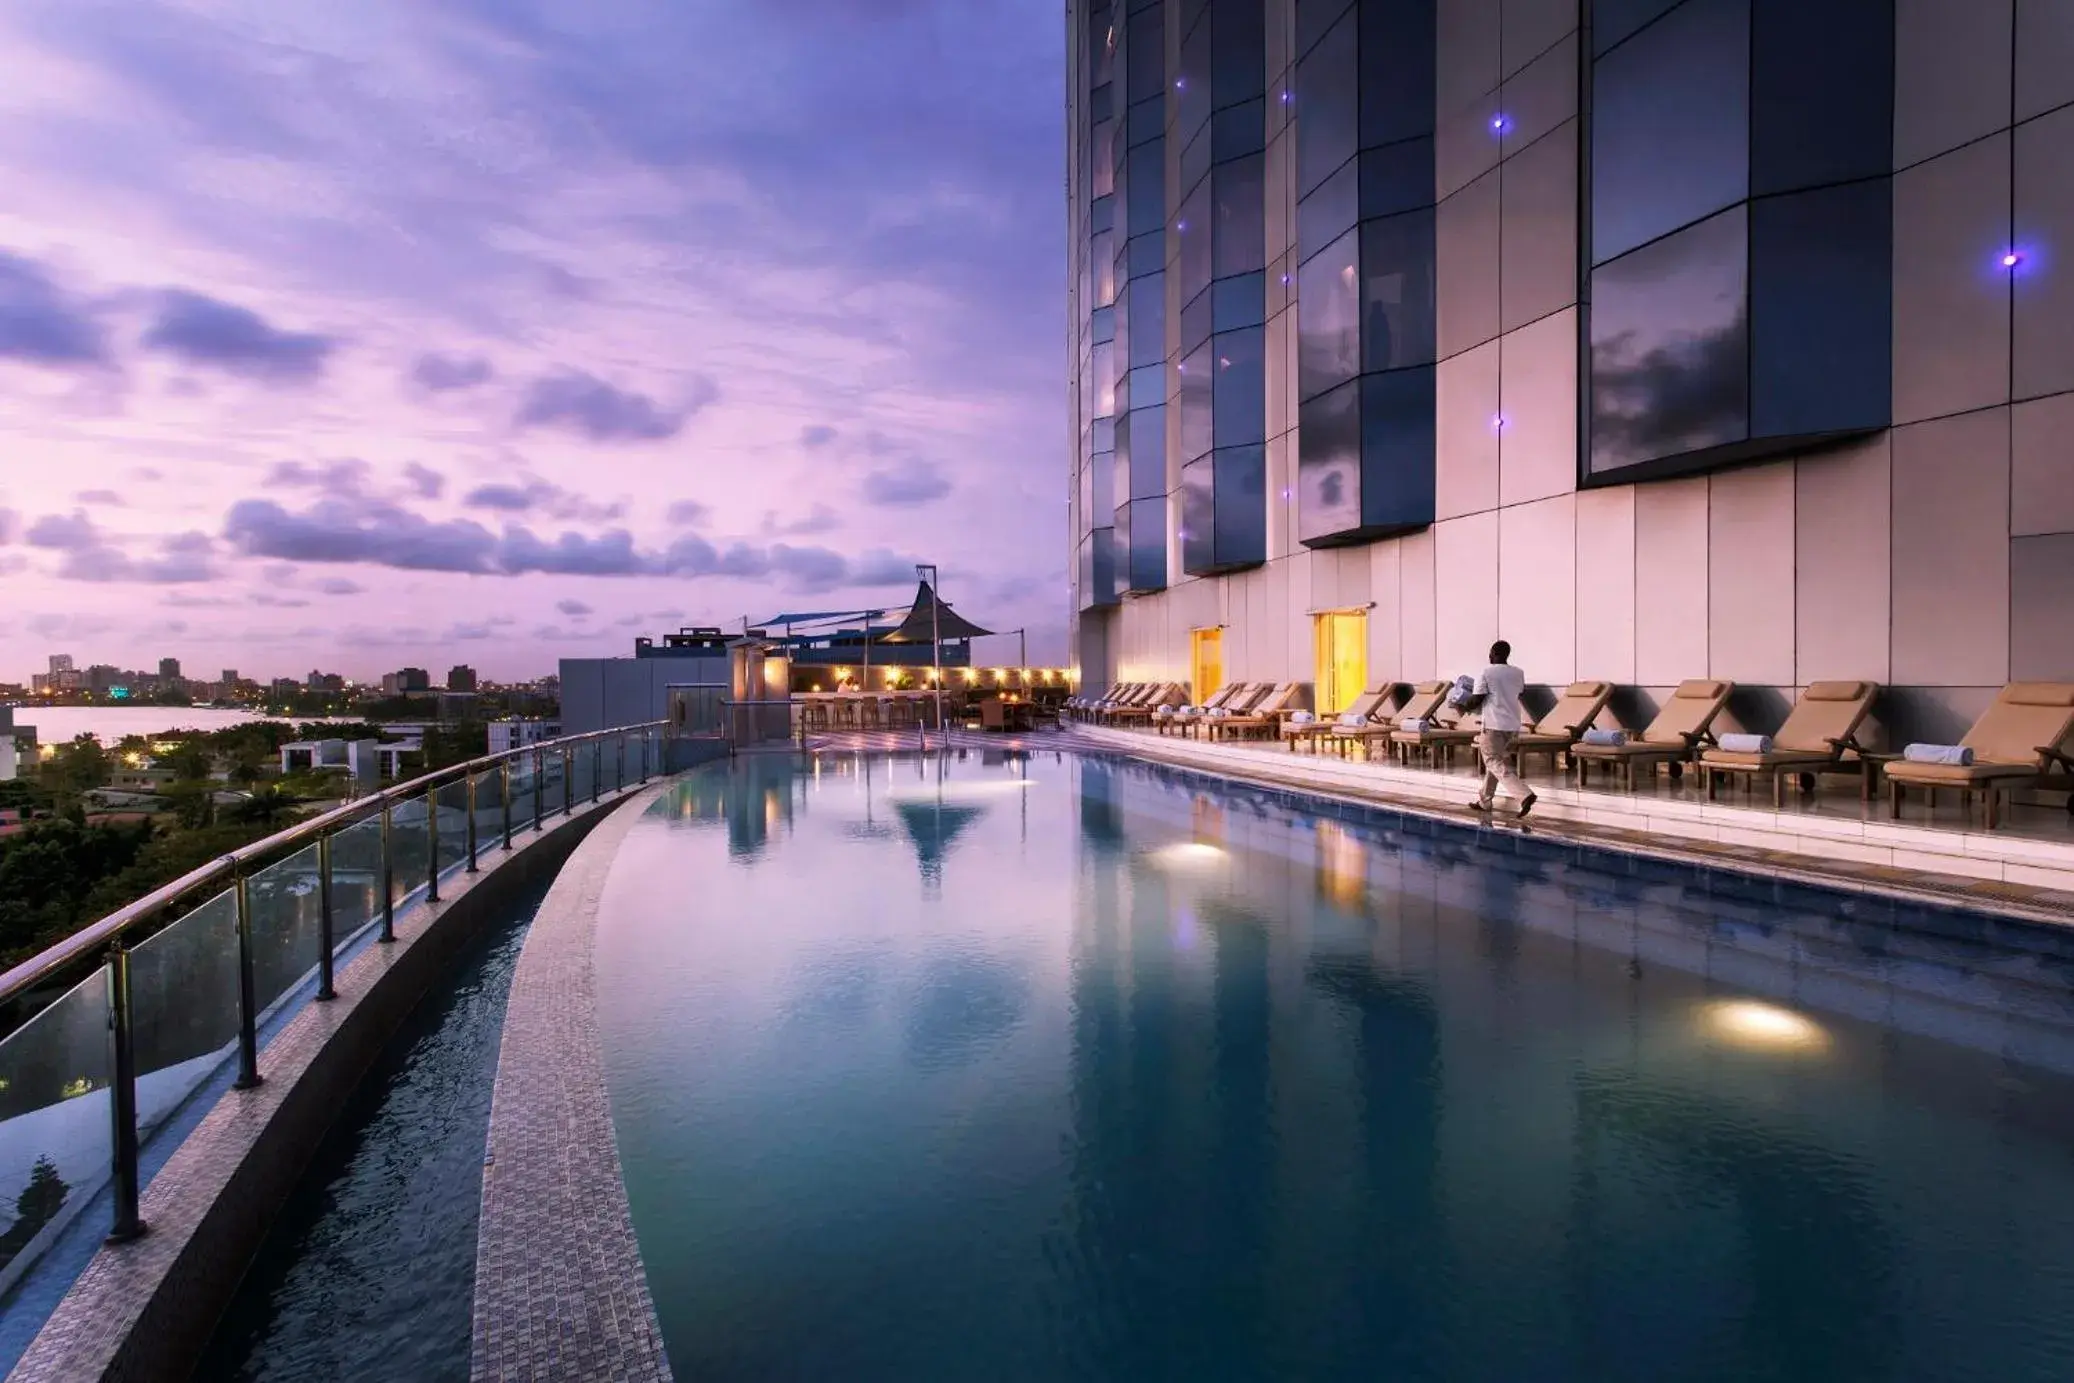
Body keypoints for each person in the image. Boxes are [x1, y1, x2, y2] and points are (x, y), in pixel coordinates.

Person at [1467, 639, 1535, 819]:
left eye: (1490, 653)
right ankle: (1485, 801)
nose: (1489, 656)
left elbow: (1477, 699)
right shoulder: (1518, 673)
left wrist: (1464, 705)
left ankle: (1524, 794)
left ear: (1494, 653)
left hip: (1492, 724)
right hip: (1511, 725)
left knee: (1491, 761)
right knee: (1494, 760)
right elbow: (1520, 692)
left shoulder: (1486, 672)